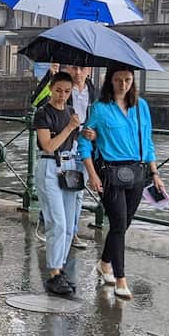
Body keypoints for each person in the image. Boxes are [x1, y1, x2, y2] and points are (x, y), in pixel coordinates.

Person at [80, 65, 164, 300]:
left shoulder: (141, 107)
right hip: (109, 171)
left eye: (128, 79)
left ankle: (105, 262)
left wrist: (155, 173)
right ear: (110, 81)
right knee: (118, 224)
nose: (123, 84)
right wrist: (93, 174)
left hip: (136, 171)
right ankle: (121, 278)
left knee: (124, 223)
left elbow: (147, 142)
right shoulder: (99, 108)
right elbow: (84, 144)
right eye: (118, 80)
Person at [33, 72, 84, 297]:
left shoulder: (72, 112)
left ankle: (60, 267)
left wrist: (86, 134)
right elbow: (48, 145)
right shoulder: (43, 113)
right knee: (58, 222)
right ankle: (53, 272)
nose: (62, 96)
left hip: (70, 166)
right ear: (51, 89)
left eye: (67, 91)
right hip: (50, 166)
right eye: (59, 90)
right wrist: (70, 128)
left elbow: (74, 141)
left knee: (69, 222)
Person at [63, 65, 97, 250]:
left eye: (82, 69)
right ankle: (63, 229)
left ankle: (72, 231)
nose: (78, 73)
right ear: (68, 68)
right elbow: (39, 102)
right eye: (74, 68)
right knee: (66, 189)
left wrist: (95, 133)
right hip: (66, 145)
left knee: (78, 193)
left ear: (89, 70)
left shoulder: (93, 92)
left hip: (84, 146)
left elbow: (99, 117)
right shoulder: (62, 88)